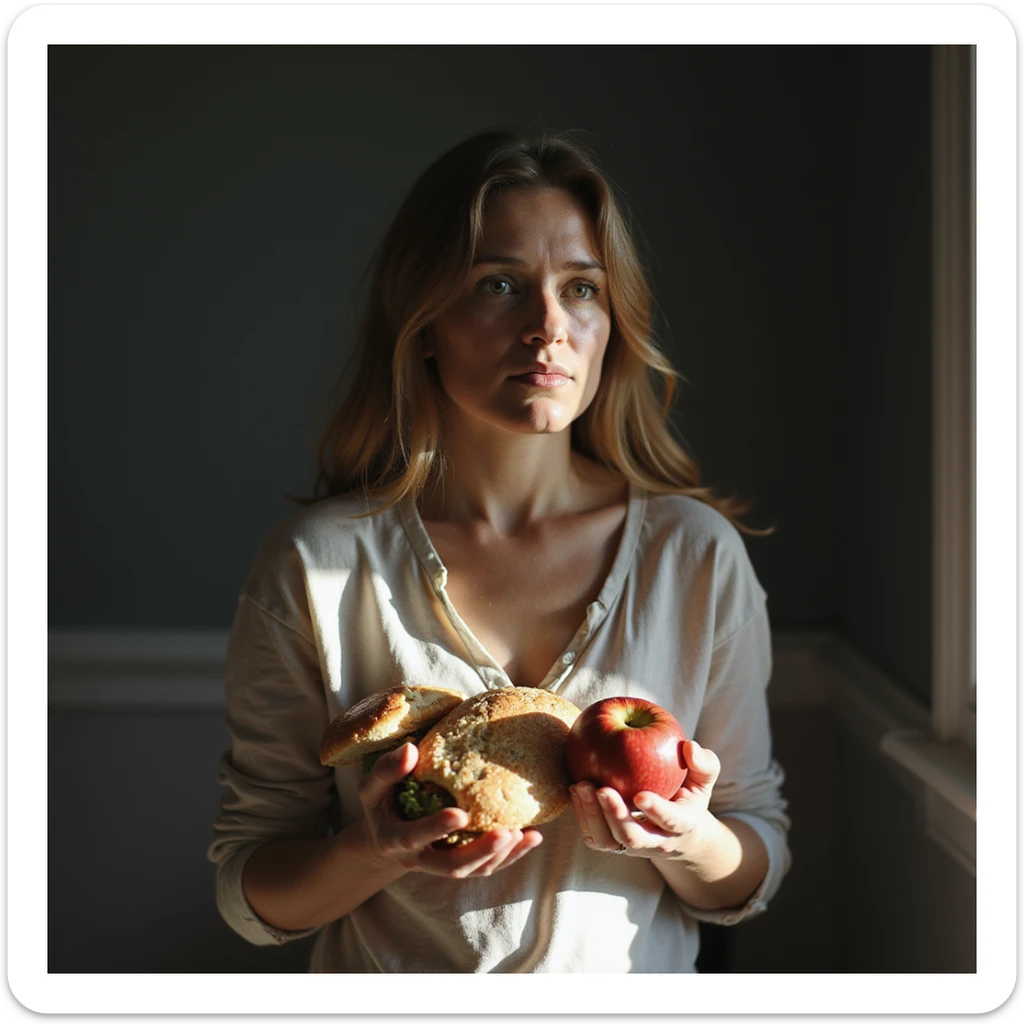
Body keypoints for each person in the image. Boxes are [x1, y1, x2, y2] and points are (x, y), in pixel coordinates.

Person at [207, 129, 791, 973]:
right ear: (425, 322)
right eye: (500, 284)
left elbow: (752, 858)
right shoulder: (318, 565)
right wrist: (375, 851)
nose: (547, 325)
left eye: (581, 288)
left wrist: (688, 839)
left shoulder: (692, 556)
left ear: (610, 327)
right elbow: (251, 882)